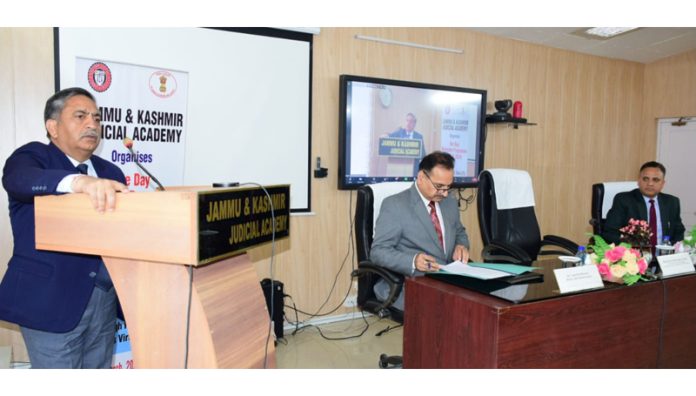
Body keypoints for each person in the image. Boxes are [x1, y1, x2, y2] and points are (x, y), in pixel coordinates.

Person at [0, 87, 130, 368]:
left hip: (103, 301)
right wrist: (78, 182)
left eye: (96, 118)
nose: (92, 125)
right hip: (49, 300)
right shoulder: (32, 157)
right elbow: (19, 180)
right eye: (80, 116)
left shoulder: (111, 172)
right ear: (53, 127)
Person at [370, 151, 470, 310]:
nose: (444, 193)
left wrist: (461, 246)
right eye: (439, 187)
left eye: (448, 187)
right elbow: (378, 252)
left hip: (449, 281)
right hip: (412, 282)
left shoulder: (449, 202)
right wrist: (413, 261)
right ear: (422, 177)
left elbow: (460, 233)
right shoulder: (395, 205)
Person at [602, 161, 685, 246]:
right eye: (645, 179)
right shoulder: (624, 200)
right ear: (638, 181)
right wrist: (632, 246)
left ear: (663, 183)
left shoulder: (672, 202)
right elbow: (610, 232)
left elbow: (678, 232)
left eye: (655, 180)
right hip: (635, 255)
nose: (650, 183)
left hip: (664, 256)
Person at [388, 113, 426, 177]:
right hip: (398, 168)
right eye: (407, 121)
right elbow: (388, 138)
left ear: (414, 124)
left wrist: (413, 153)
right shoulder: (399, 133)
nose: (408, 123)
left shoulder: (419, 137)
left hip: (413, 170)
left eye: (410, 121)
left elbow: (423, 154)